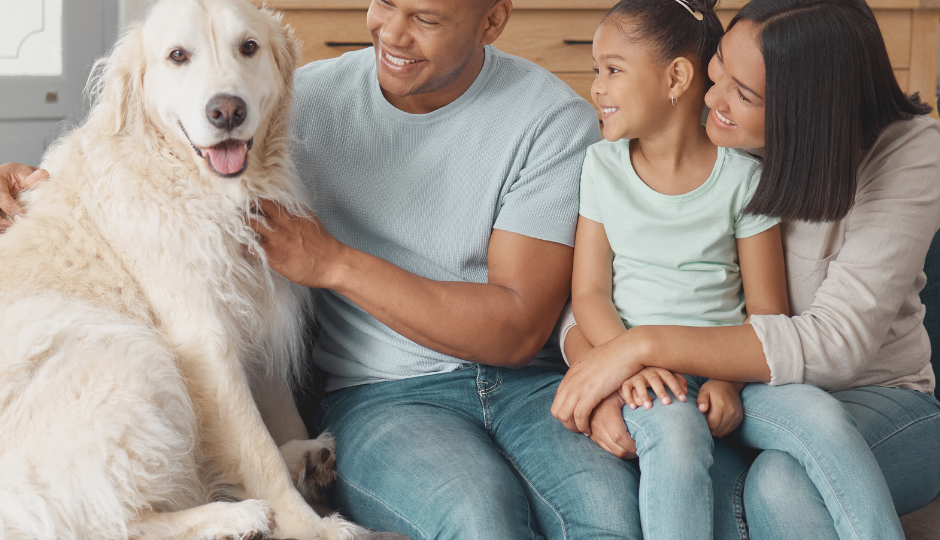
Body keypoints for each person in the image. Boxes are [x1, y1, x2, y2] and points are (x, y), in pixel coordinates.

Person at [0, 0, 653, 538]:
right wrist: (15, 181)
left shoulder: (549, 119)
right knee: (480, 521)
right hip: (386, 395)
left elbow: (514, 329)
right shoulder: (293, 98)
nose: (393, 33)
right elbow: (130, 149)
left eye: (424, 18)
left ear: (492, 21)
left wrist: (333, 262)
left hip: (525, 382)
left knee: (609, 517)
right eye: (385, 4)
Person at [553, 0, 940, 538]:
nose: (710, 101)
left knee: (780, 487)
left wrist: (639, 347)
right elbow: (595, 289)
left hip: (872, 394)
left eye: (744, 94)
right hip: (734, 387)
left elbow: (834, 343)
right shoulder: (708, 138)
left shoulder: (909, 153)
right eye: (717, 74)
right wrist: (602, 373)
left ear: (807, 110)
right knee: (706, 468)